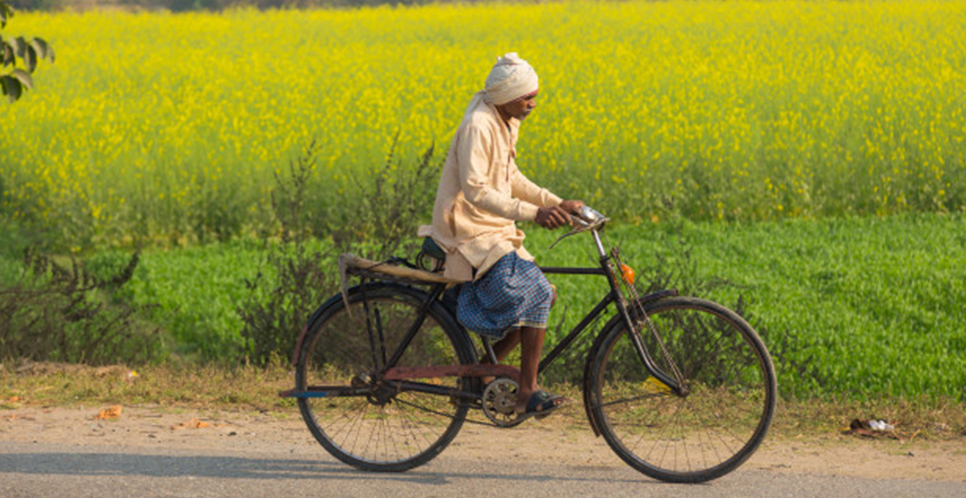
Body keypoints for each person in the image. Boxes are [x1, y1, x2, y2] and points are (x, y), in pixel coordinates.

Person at [418, 53, 583, 419]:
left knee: (545, 295)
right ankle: (527, 391)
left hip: (492, 230)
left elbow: (510, 178)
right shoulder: (479, 124)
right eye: (527, 98)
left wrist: (558, 204)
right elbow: (476, 190)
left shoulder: (505, 119)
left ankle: (480, 372)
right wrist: (534, 213)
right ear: (507, 95)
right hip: (466, 231)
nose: (533, 104)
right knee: (537, 293)